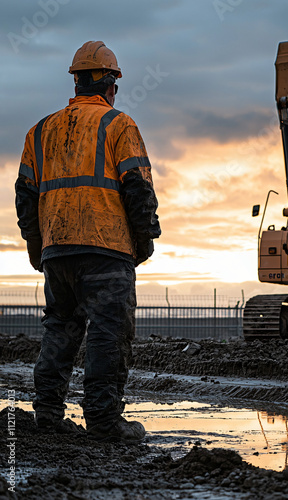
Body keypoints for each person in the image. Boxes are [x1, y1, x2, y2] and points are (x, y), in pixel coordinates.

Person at [15, 41, 161, 443]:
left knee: (61, 328)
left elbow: (25, 196)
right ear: (110, 83)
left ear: (76, 82)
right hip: (106, 250)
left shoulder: (39, 130)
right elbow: (138, 188)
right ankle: (103, 421)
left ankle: (46, 413)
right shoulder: (119, 125)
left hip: (57, 250)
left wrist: (37, 247)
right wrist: (144, 241)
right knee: (108, 333)